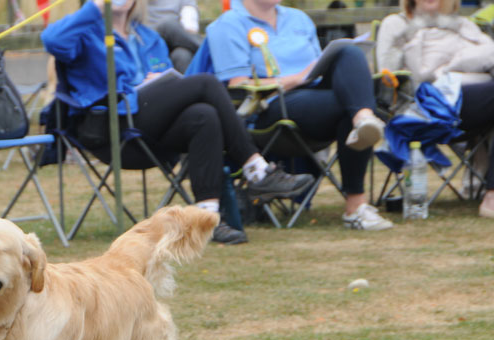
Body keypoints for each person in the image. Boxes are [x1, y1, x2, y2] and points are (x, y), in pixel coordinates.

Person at [42, 0, 314, 245]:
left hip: (153, 130)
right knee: (206, 83)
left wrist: (156, 82)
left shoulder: (148, 37)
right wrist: (98, 8)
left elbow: (164, 74)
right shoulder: (84, 36)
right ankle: (257, 170)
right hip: (113, 130)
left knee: (203, 115)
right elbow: (52, 40)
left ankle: (207, 219)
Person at [207, 0, 395, 231]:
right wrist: (295, 79)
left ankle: (363, 120)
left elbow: (320, 65)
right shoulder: (227, 25)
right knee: (350, 105)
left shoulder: (298, 18)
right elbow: (238, 86)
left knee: (349, 51)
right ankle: (356, 205)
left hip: (315, 98)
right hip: (270, 108)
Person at [376, 0, 494, 218]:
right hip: (425, 107)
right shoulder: (396, 24)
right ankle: (492, 196)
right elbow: (388, 75)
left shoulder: (462, 25)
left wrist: (451, 67)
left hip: (476, 98)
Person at [147, 0, 203, 73]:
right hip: (149, 39)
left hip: (176, 38)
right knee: (168, 24)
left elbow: (190, 22)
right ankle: (211, 52)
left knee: (181, 55)